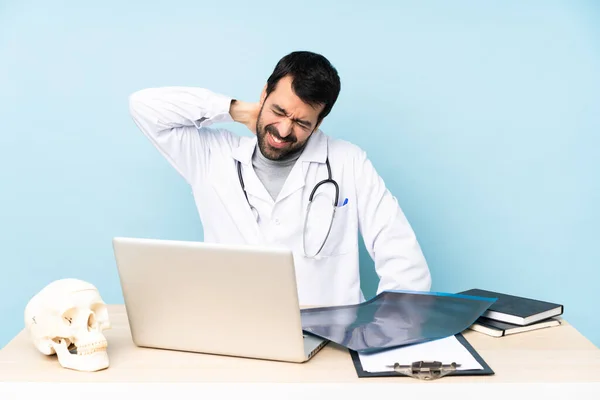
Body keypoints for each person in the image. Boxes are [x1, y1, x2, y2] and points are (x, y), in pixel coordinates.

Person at [128, 50, 431, 306]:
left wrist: (390, 338)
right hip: (233, 339)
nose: (284, 131)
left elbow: (403, 258)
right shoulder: (210, 156)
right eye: (278, 111)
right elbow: (143, 106)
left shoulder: (347, 161)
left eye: (301, 122)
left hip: (330, 342)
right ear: (264, 94)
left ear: (319, 121)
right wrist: (234, 109)